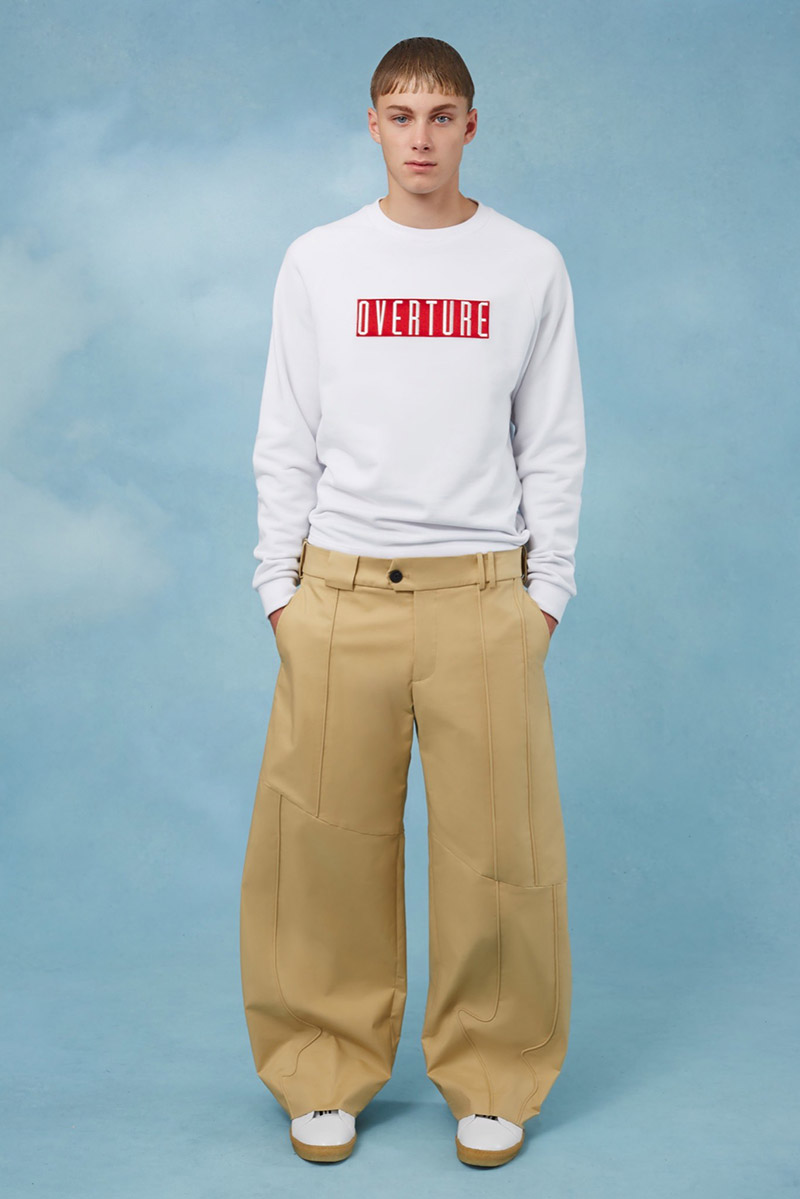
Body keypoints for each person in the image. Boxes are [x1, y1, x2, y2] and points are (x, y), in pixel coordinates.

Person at [239, 35, 587, 1169]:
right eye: (401, 115)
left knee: (498, 852)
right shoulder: (320, 262)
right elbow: (286, 433)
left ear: (471, 126)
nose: (421, 138)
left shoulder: (526, 264)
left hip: (481, 595)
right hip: (339, 591)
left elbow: (552, 441)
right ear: (373, 125)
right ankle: (323, 1064)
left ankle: (494, 1074)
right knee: (322, 843)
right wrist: (280, 588)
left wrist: (545, 591)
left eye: (441, 116)